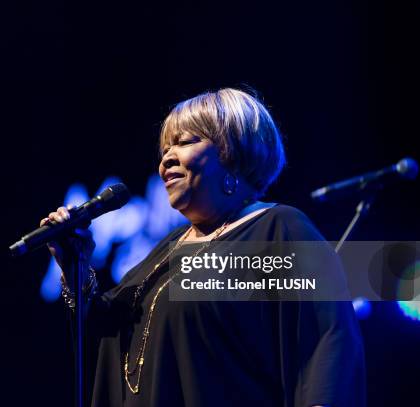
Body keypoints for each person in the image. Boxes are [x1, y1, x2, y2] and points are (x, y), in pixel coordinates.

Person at [41, 88, 366, 406]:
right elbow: (108, 327)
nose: (167, 157)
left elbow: (326, 340)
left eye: (184, 142)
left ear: (233, 154)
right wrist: (75, 267)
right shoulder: (169, 248)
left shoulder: (276, 229)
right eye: (165, 148)